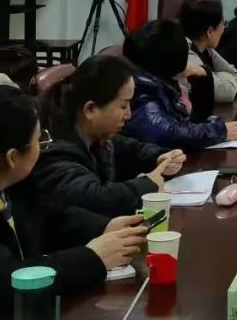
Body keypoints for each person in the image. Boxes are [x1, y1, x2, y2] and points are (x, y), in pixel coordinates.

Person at [0, 87, 147, 320]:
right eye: (39, 140)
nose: (44, 145)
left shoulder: (11, 182)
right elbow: (10, 279)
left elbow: (50, 216)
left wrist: (104, 227)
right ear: (13, 157)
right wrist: (92, 258)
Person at [33, 56, 187, 218]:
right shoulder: (53, 150)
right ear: (91, 109)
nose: (129, 115)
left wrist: (160, 158)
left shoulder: (97, 136)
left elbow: (134, 151)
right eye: (123, 106)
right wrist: (148, 185)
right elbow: (98, 199)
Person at [124, 19, 237, 151]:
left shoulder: (163, 81)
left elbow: (191, 120)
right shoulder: (142, 90)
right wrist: (218, 131)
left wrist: (204, 75)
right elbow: (170, 133)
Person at [179, 0, 237, 118]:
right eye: (223, 24)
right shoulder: (187, 55)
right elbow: (226, 92)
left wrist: (217, 77)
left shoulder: (207, 50)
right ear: (209, 31)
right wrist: (220, 77)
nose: (224, 29)